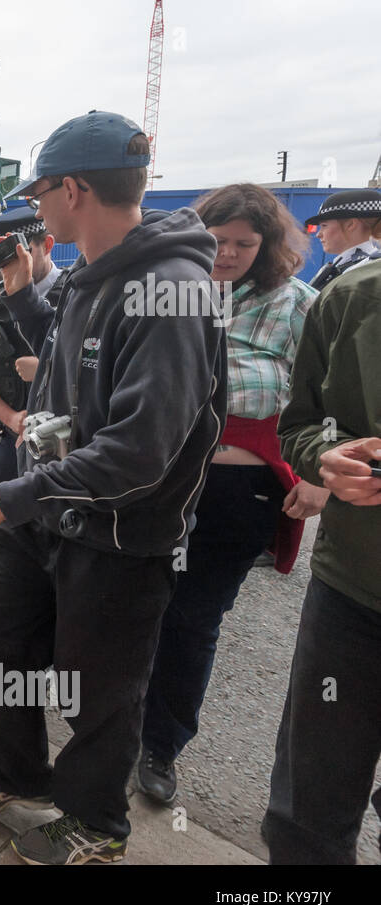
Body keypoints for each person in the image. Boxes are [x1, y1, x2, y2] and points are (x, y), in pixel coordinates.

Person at [0, 111, 226, 865]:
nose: (35, 210)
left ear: (74, 189)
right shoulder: (84, 277)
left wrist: (6, 498)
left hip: (117, 533)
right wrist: (21, 292)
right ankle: (18, 776)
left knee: (95, 692)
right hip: (46, 515)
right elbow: (71, 356)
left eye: (41, 194)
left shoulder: (173, 292)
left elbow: (139, 452)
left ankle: (97, 824)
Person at [139, 183, 326, 805]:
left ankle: (161, 745)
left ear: (268, 244)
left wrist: (317, 477)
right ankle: (114, 723)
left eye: (246, 243)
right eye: (219, 241)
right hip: (162, 479)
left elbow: (322, 400)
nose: (230, 254)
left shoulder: (296, 303)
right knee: (136, 602)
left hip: (237, 491)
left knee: (193, 619)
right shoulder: (169, 289)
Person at [262, 256, 381, 864]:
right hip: (353, 593)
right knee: (309, 805)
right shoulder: (353, 298)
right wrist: (327, 458)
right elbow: (301, 425)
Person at [0, 206, 63, 483]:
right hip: (13, 440)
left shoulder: (75, 295)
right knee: (5, 523)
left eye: (19, 253)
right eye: (1, 258)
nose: (10, 266)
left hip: (69, 443)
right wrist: (12, 418)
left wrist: (45, 367)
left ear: (47, 245)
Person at [304, 188, 381, 291]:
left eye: (324, 225)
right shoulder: (347, 266)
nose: (318, 234)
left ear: (351, 225)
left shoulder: (362, 271)